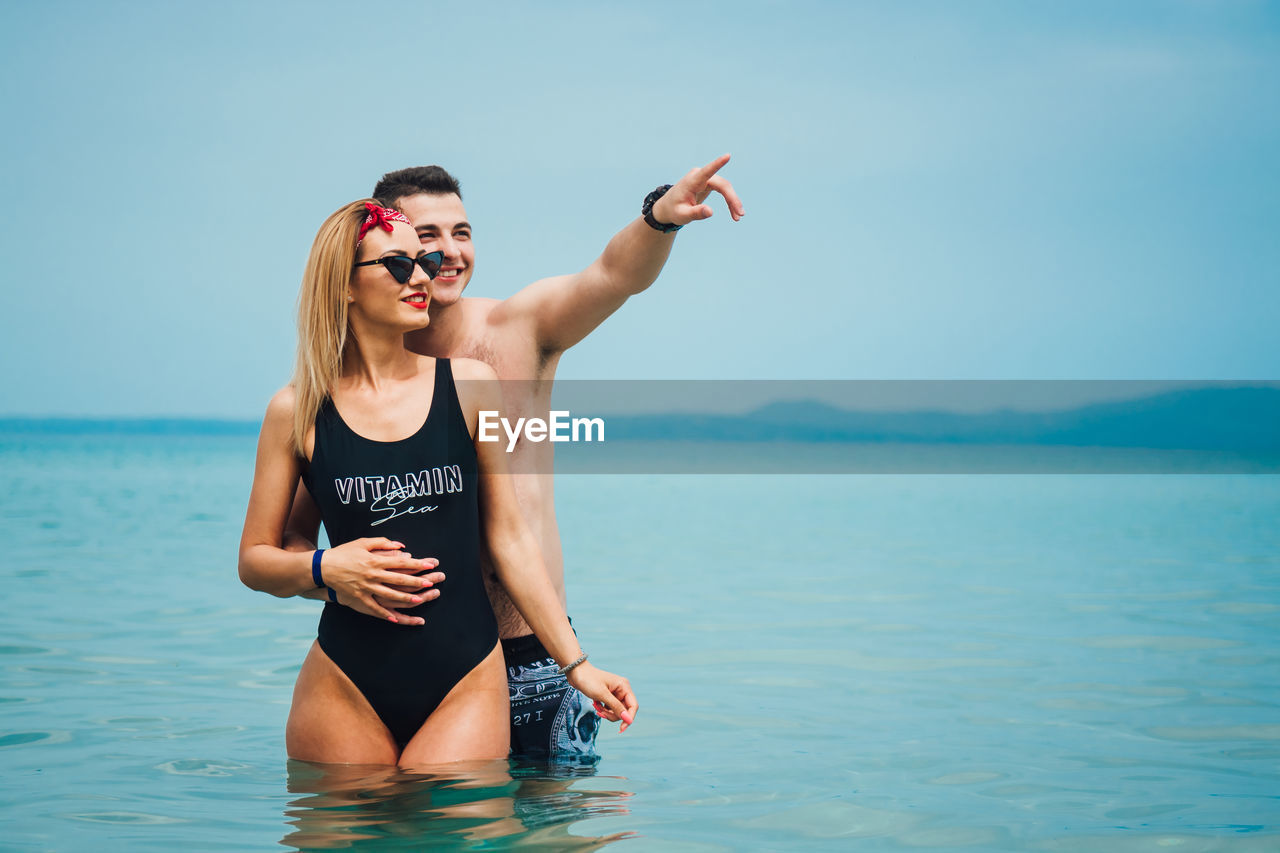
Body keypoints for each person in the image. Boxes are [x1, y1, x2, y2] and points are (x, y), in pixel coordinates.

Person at [285, 156, 743, 759]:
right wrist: (343, 583)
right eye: (427, 237)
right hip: (406, 653)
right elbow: (293, 542)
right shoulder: (339, 391)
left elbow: (612, 276)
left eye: (462, 233)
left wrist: (660, 218)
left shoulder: (515, 330)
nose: (448, 253)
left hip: (535, 652)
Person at [239, 200, 636, 768]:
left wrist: (577, 665)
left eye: (422, 262)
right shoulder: (296, 410)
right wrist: (329, 570)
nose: (422, 276)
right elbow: (255, 560)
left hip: (466, 677)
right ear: (345, 286)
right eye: (398, 265)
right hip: (343, 681)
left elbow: (510, 541)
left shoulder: (472, 387)